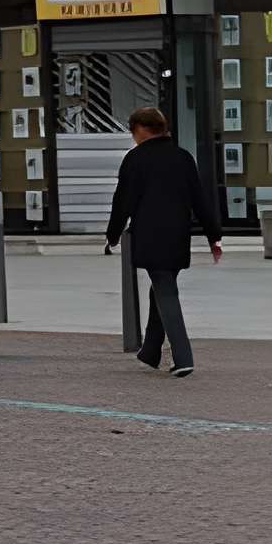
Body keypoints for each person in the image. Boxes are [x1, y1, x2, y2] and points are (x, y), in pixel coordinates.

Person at [104, 104, 222, 377]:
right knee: (162, 283)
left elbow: (123, 201)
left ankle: (183, 356)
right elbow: (200, 200)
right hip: (178, 234)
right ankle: (150, 350)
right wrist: (213, 236)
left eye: (133, 131)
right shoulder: (183, 157)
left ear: (142, 130)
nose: (133, 137)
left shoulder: (135, 159)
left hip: (150, 234)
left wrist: (113, 234)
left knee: (165, 290)